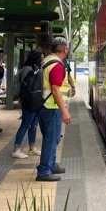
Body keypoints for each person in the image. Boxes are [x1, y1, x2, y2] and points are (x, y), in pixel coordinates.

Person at [36, 38, 72, 182]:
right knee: (51, 140)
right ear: (64, 49)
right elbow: (55, 89)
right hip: (52, 107)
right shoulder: (57, 65)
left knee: (52, 138)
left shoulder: (47, 61)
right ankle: (44, 170)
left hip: (45, 106)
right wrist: (65, 111)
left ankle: (51, 164)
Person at [12, 50, 44, 159]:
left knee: (34, 125)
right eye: (41, 57)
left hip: (36, 100)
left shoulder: (36, 69)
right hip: (29, 101)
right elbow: (26, 86)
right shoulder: (27, 69)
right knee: (25, 124)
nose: (42, 60)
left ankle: (32, 148)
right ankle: (16, 149)